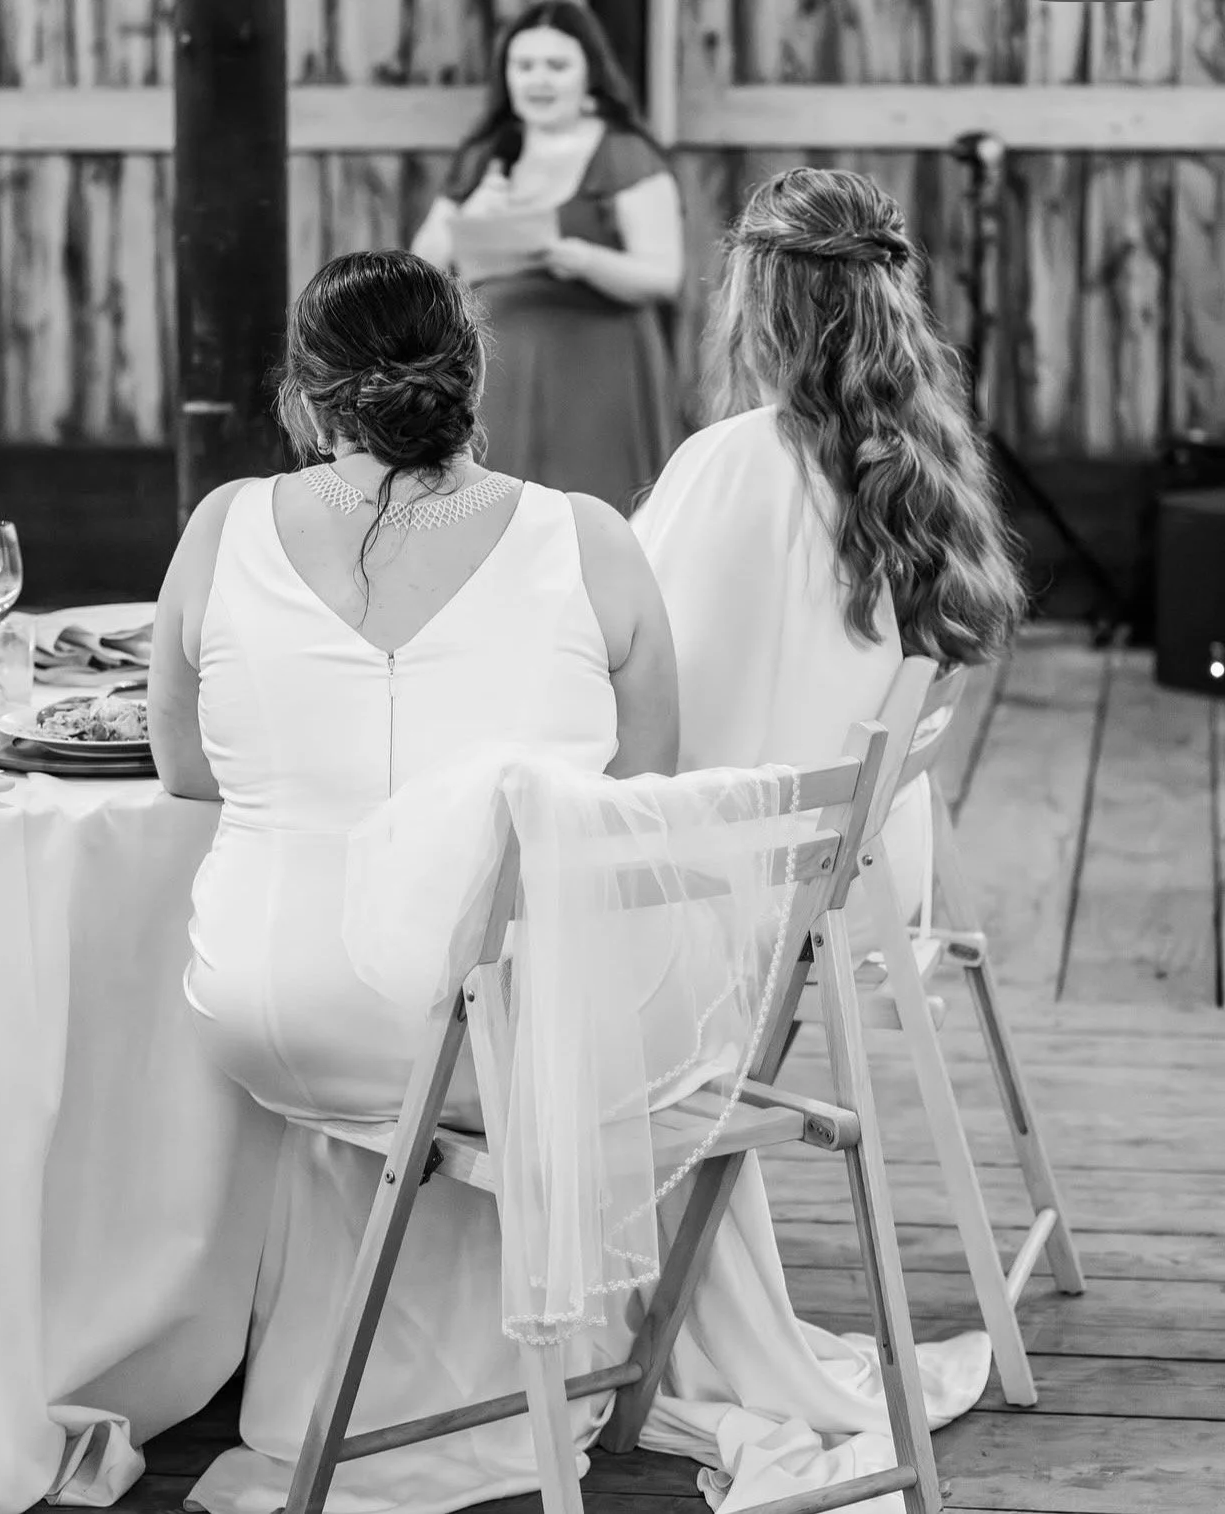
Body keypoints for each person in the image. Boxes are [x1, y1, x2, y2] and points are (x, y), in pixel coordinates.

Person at [149, 250, 987, 1514]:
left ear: (306, 395)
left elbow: (178, 764)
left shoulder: (223, 524)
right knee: (593, 976)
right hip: (495, 1045)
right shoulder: (585, 536)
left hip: (270, 1013)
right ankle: (589, 1345)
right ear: (473, 377)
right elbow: (633, 794)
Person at [633, 167, 1026, 950]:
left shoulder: (746, 457)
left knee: (513, 820)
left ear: (760, 299)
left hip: (777, 873)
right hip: (877, 858)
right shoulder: (920, 445)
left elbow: (665, 698)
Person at [411, 2, 681, 516]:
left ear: (590, 75)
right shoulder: (486, 155)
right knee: (498, 518)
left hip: (598, 368)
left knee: (594, 512)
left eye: (557, 66)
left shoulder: (624, 154)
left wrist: (576, 258)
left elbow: (662, 275)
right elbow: (421, 268)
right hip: (498, 369)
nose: (539, 80)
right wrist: (469, 215)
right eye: (525, 65)